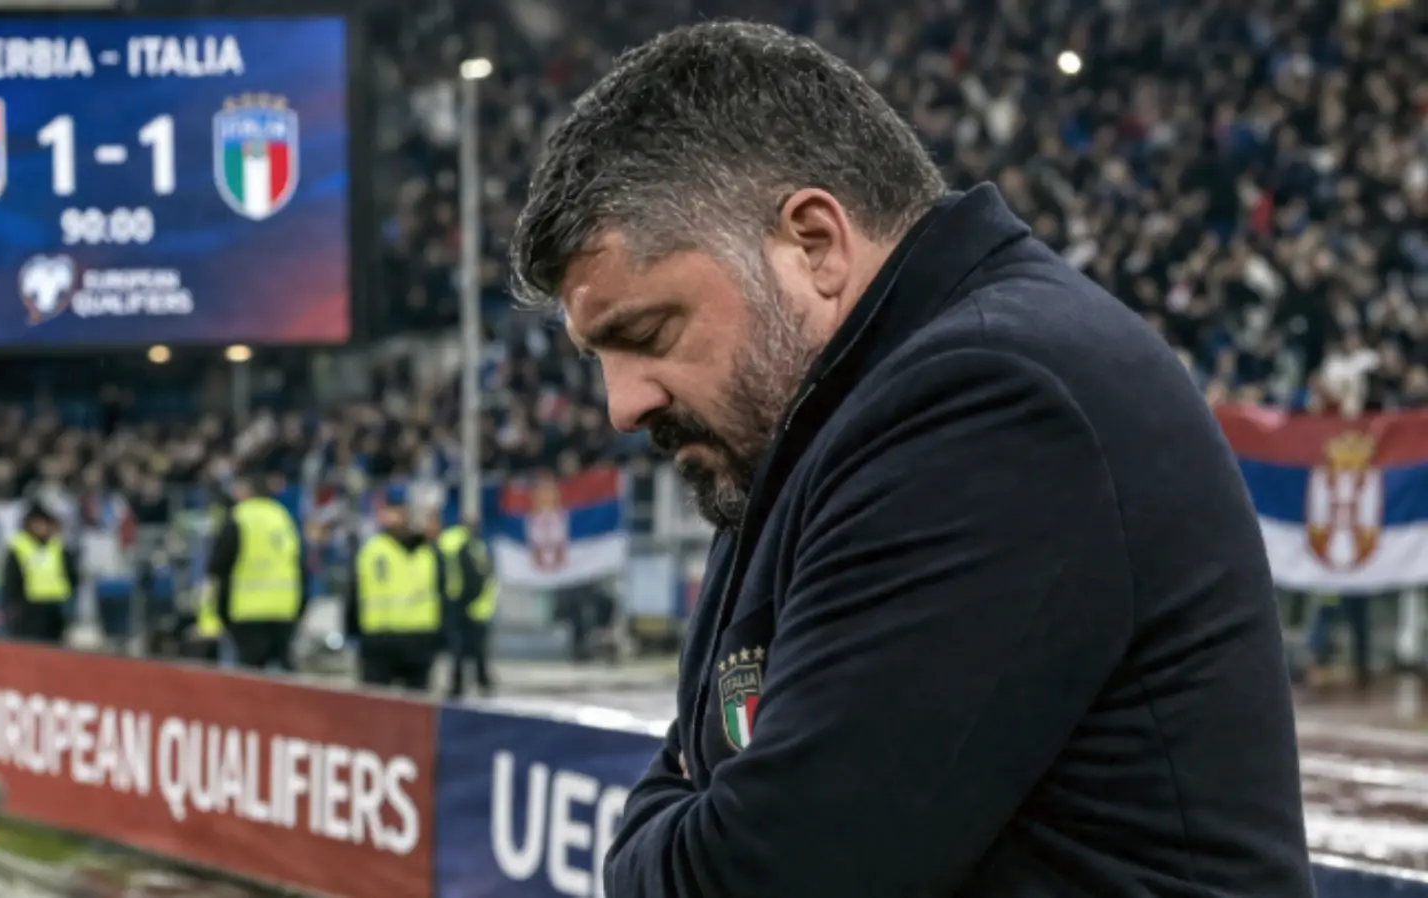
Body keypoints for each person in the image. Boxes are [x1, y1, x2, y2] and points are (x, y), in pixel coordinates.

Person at [509, 21, 1312, 898]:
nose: (622, 406)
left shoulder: (987, 401)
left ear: (815, 244)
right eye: (598, 358)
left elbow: (768, 875)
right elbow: (705, 779)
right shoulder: (800, 429)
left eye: (647, 333)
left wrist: (663, 835)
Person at [204, 474, 305, 671]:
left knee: (251, 673)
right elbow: (298, 562)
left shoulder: (239, 516)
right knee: (283, 668)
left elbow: (219, 565)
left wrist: (218, 610)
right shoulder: (282, 516)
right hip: (284, 607)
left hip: (247, 608)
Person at [346, 493, 444, 691]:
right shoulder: (372, 550)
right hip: (379, 639)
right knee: (375, 703)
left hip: (419, 639)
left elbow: (442, 594)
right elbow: (353, 594)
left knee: (417, 703)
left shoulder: (429, 552)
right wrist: (353, 634)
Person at [437, 511, 496, 698]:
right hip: (468, 604)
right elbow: (476, 576)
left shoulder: (449, 541)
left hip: (458, 602)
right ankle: (480, 682)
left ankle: (461, 684)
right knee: (473, 648)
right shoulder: (470, 545)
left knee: (461, 647)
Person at [0, 502, 77, 645]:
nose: (42, 527)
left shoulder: (57, 546)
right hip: (30, 607)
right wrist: (16, 604)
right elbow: (12, 578)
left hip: (56, 606)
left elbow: (71, 573)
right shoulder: (20, 546)